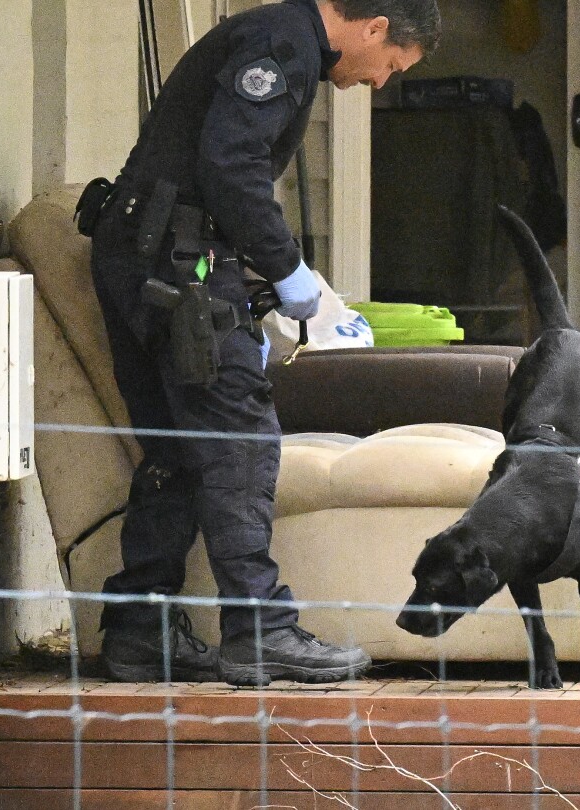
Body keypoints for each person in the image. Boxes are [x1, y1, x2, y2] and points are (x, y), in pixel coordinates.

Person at [85, 0, 441, 686]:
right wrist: (286, 267)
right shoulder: (283, 45)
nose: (381, 82)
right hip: (177, 264)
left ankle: (141, 629)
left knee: (177, 445)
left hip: (140, 251)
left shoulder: (275, 37)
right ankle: (261, 629)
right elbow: (232, 164)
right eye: (391, 65)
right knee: (239, 438)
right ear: (373, 29)